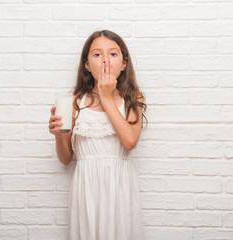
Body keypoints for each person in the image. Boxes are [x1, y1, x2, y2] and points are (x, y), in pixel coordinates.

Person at [48, 29, 147, 240]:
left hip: (119, 187)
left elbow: (130, 141)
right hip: (86, 189)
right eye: (97, 54)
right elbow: (66, 159)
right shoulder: (76, 102)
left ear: (123, 63)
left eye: (113, 54)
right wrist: (59, 135)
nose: (105, 60)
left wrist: (106, 96)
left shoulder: (132, 98)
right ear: (86, 64)